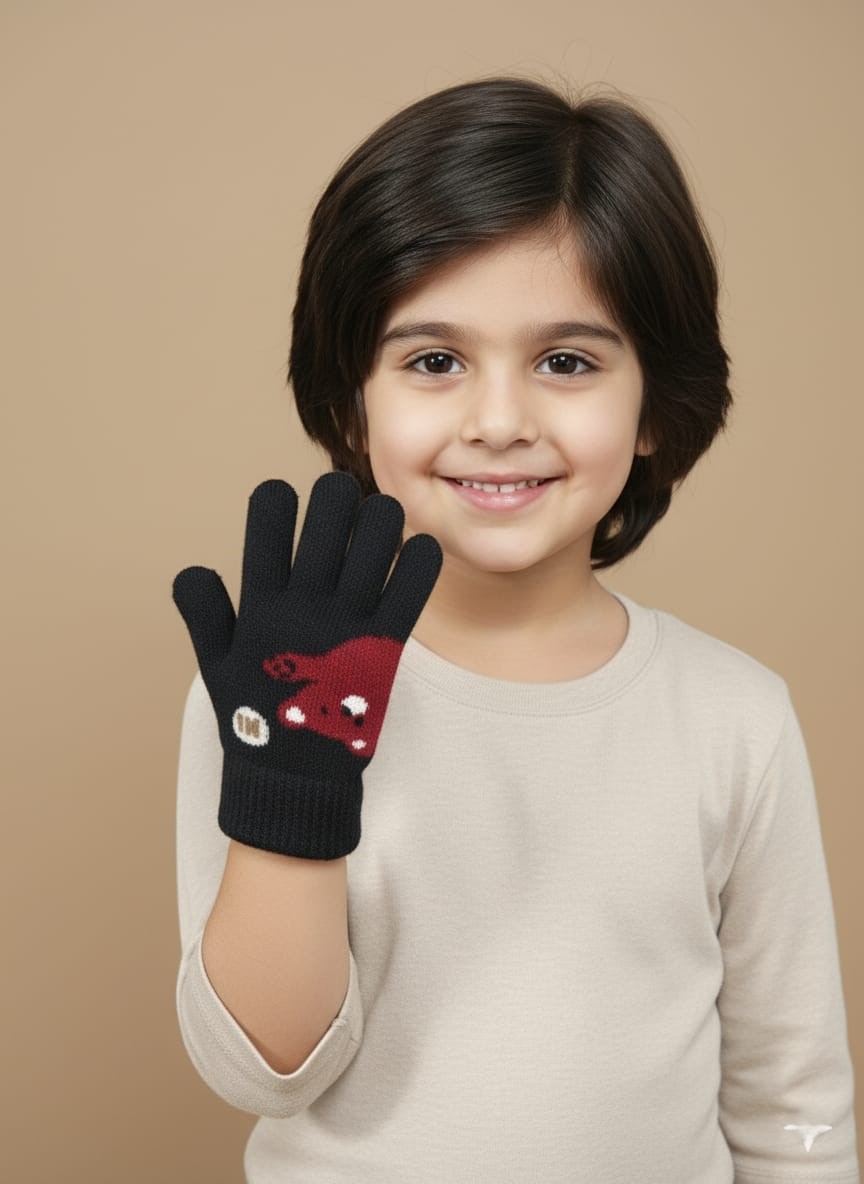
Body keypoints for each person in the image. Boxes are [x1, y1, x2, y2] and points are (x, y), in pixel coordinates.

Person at [171, 77, 859, 1182]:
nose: (500, 421)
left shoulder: (736, 716)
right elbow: (266, 1069)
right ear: (353, 401)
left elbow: (795, 1101)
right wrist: (291, 797)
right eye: (434, 360)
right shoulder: (269, 689)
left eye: (569, 360)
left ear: (654, 407)